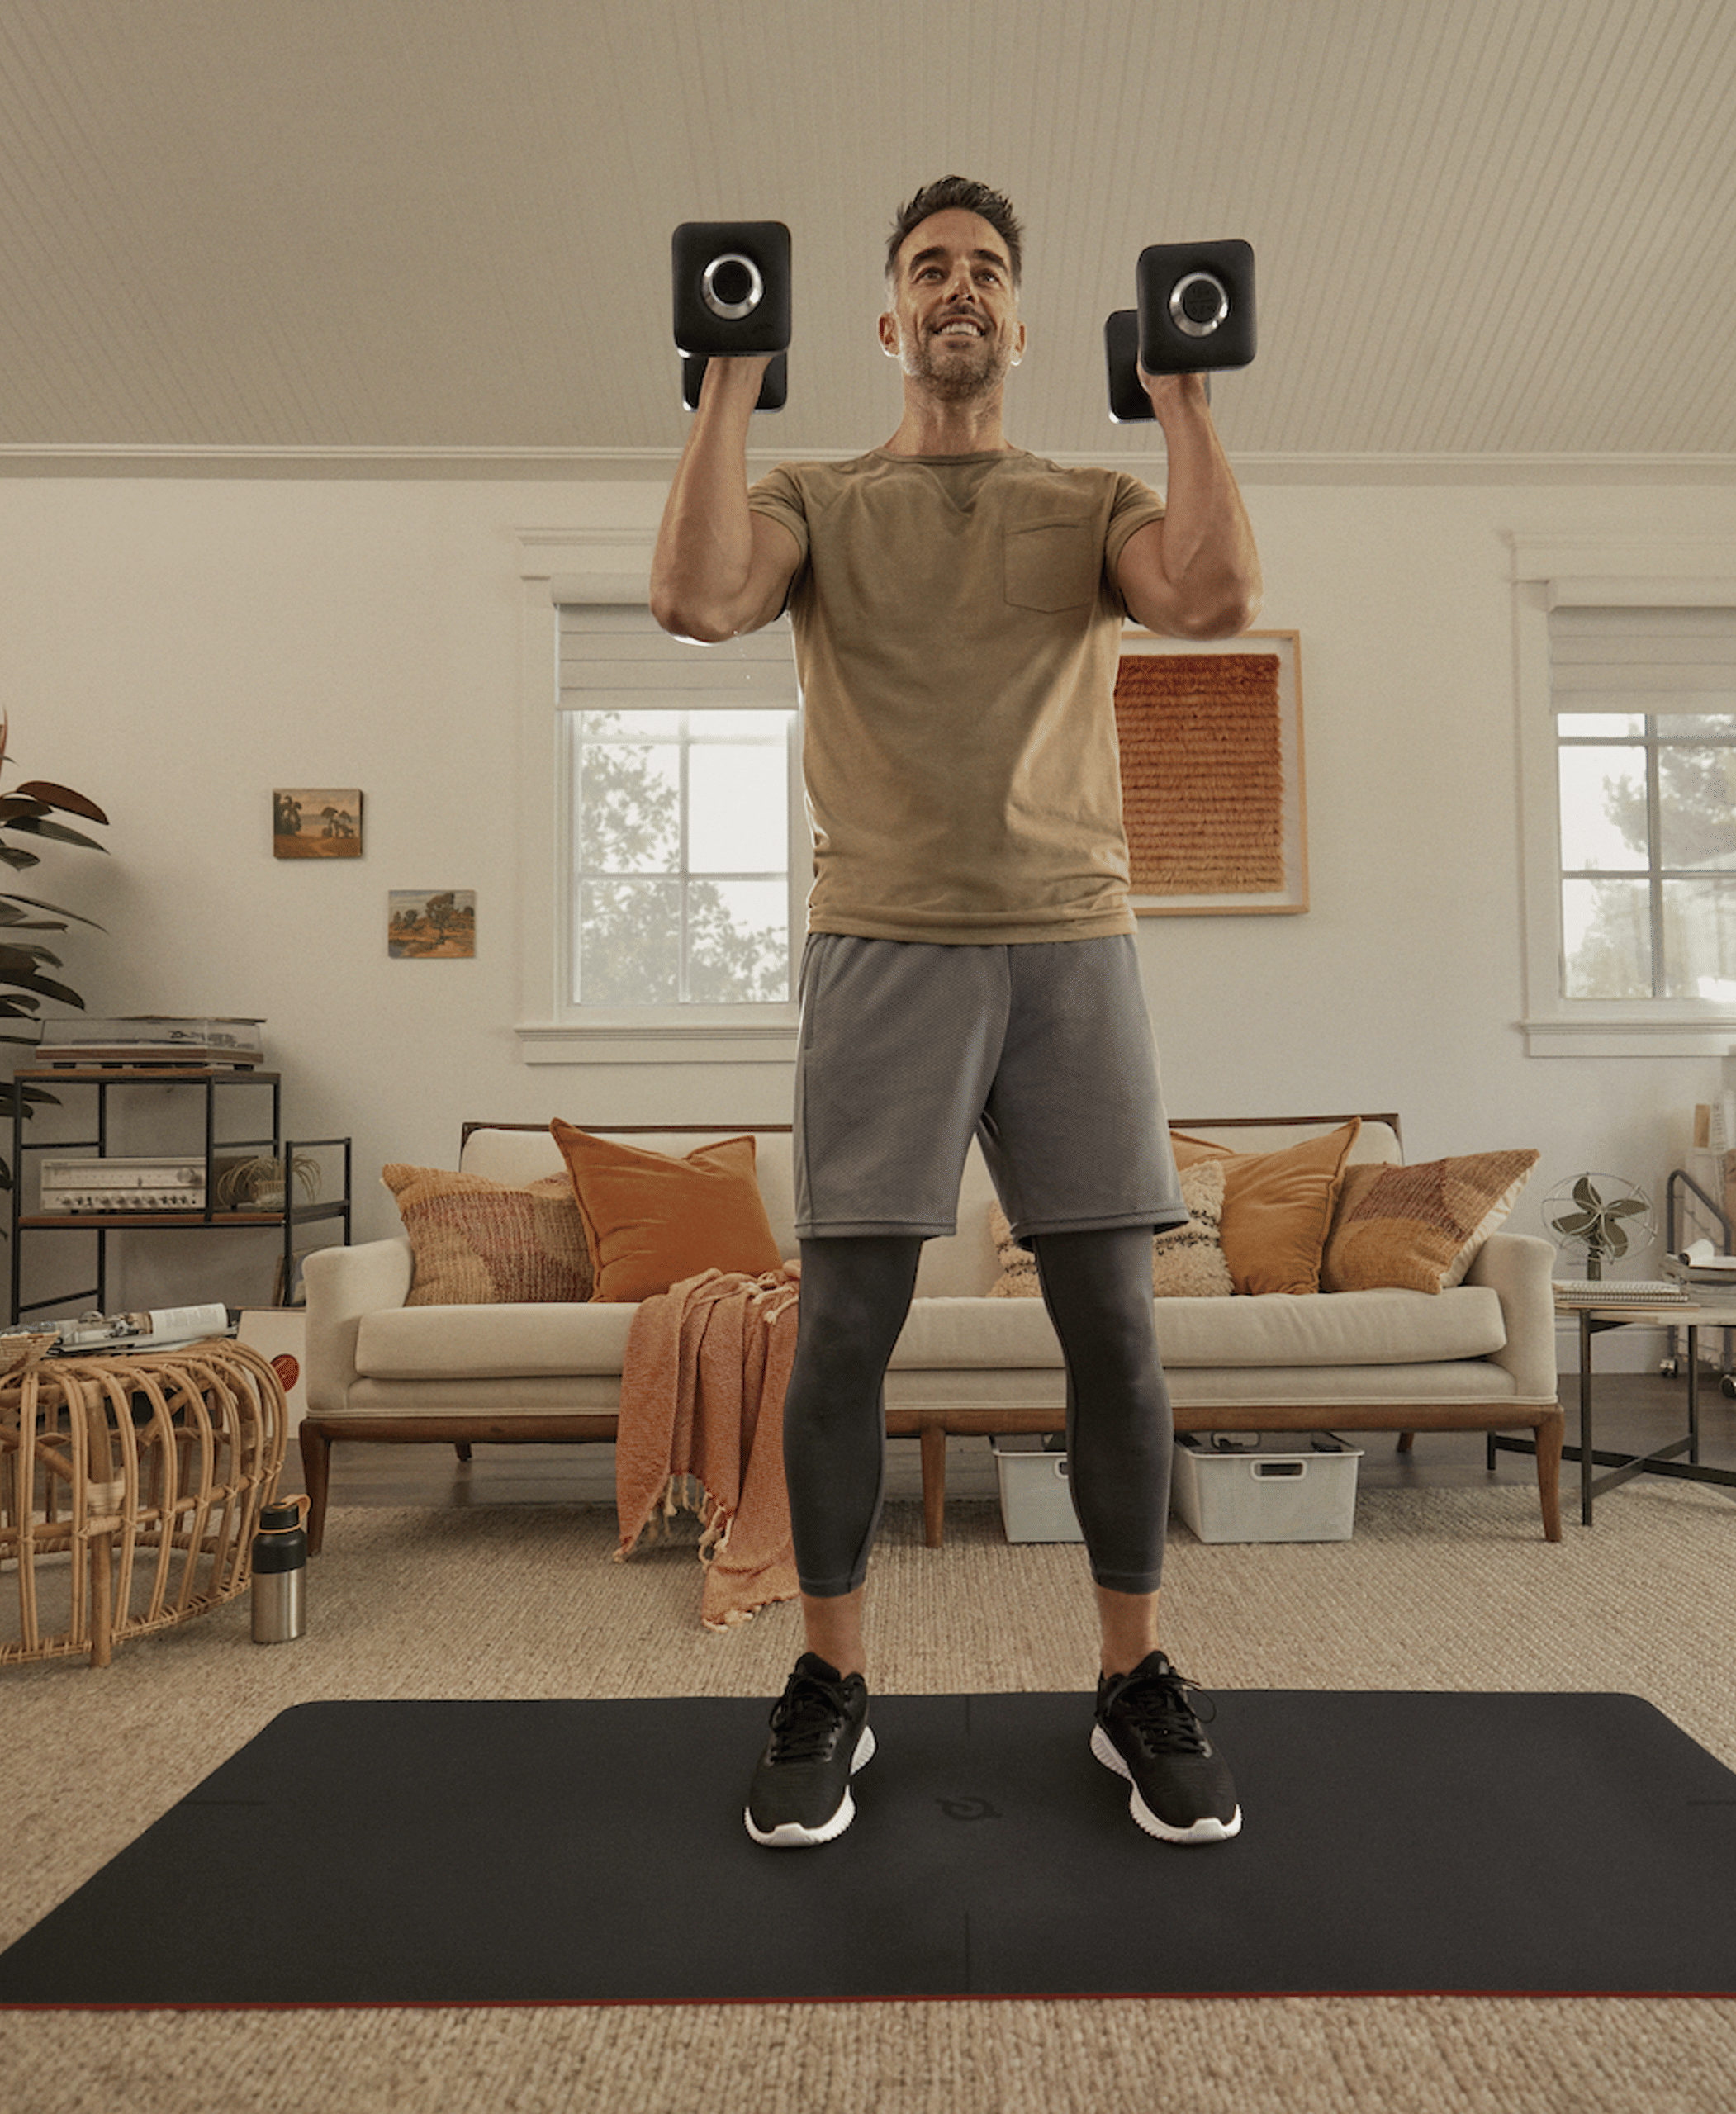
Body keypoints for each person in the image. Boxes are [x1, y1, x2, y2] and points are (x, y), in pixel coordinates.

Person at [649, 175, 1264, 1851]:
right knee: (844, 1326)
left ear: (1025, 315)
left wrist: (1187, 397)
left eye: (988, 269)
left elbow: (1211, 599)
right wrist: (726, 371)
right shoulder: (818, 497)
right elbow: (698, 597)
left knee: (1118, 1335)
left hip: (1073, 944)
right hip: (885, 947)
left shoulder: (1088, 497)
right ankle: (834, 1683)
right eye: (930, 268)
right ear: (888, 317)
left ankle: (1133, 1678)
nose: (961, 290)